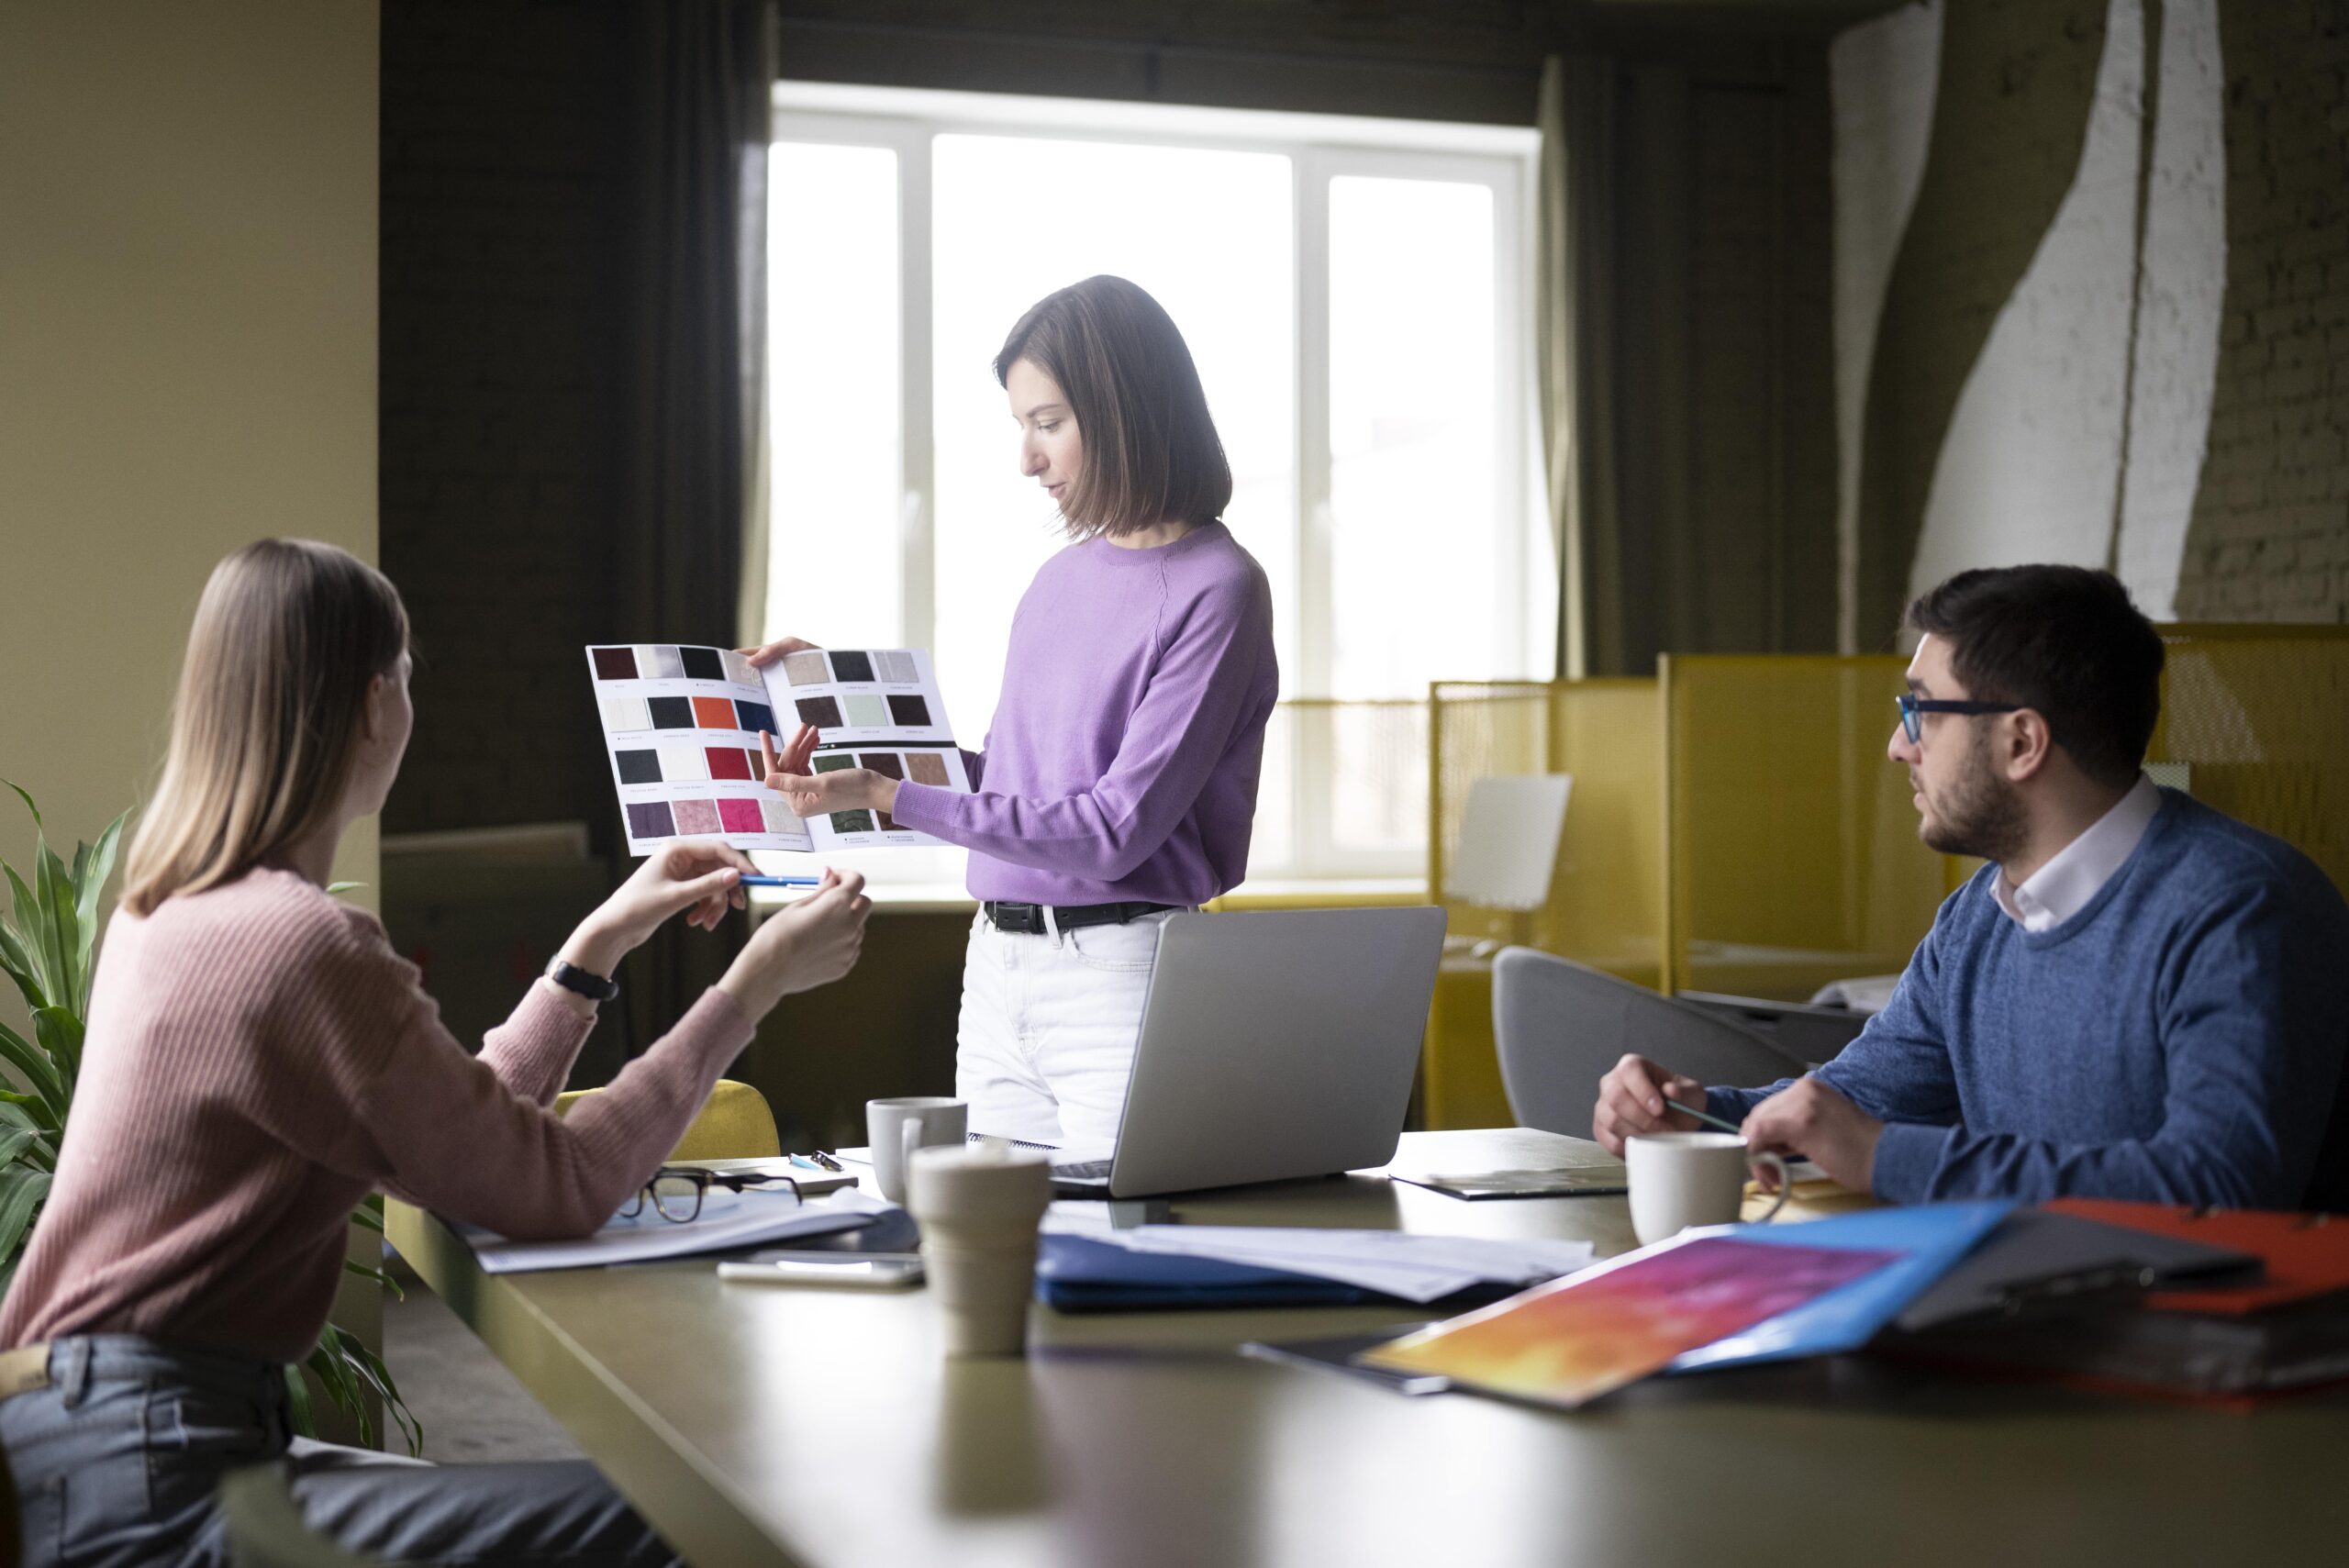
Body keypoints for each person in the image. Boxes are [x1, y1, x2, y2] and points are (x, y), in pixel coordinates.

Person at [0, 539, 870, 1565]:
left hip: (75, 1440)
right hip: (158, 1484)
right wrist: (752, 985)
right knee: (701, 1517)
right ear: (375, 706)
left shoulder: (170, 914)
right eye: (408, 678)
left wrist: (595, 944)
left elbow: (458, 1137)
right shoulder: (302, 942)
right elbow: (564, 1180)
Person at [1594, 564, 2349, 1210]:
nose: (1899, 746)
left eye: (1919, 710)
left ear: (2021, 741)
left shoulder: (2240, 908)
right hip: (2038, 1325)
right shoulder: (1977, 919)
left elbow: (2219, 1186)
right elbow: (1851, 1103)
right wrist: (1695, 1116)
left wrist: (1888, 1158)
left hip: (2215, 1361)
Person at [747, 275, 1277, 1151]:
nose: (1027, 460)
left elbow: (1112, 831)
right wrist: (824, 705)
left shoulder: (1219, 589)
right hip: (995, 964)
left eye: (1047, 423)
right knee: (994, 1255)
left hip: (1123, 976)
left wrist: (885, 792)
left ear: (1125, 411)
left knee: (1120, 1261)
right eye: (1021, 426)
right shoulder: (1056, 582)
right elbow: (1009, 785)